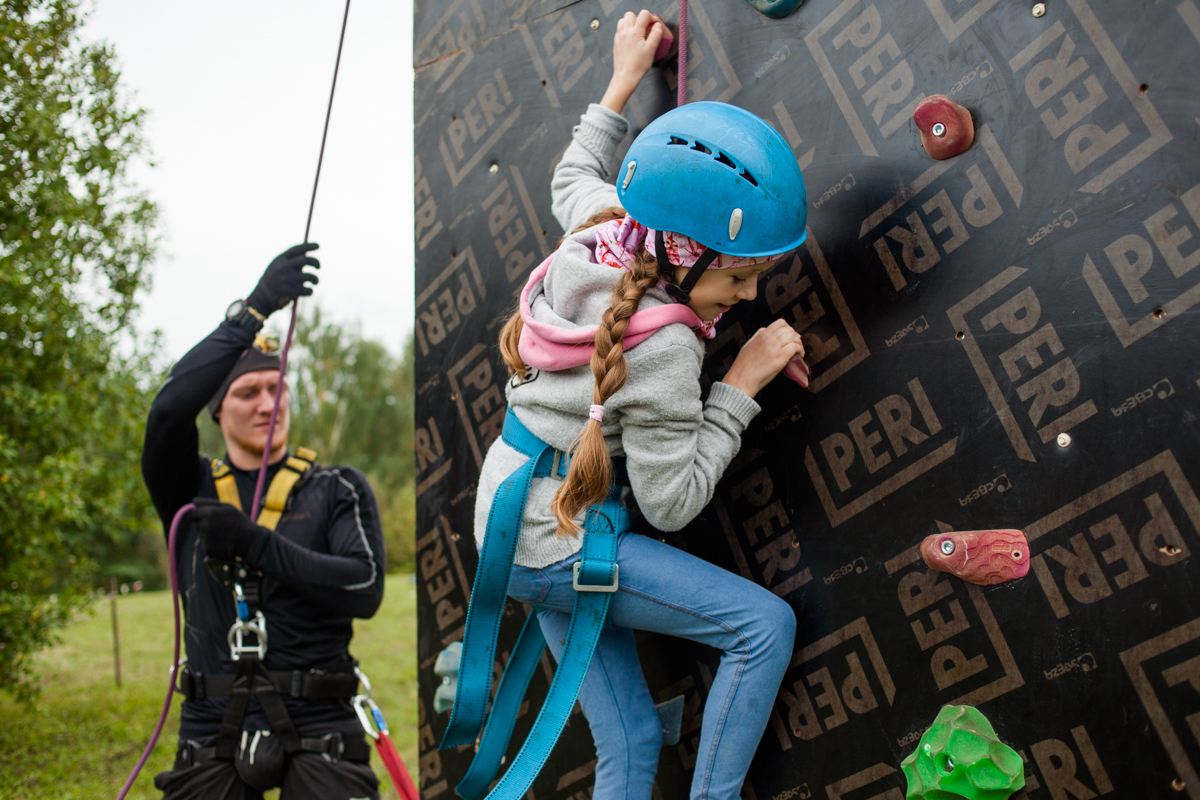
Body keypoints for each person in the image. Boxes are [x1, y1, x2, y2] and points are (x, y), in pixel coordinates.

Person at [461, 10, 808, 800]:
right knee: (762, 629)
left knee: (631, 736)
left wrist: (622, 77)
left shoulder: (604, 228)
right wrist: (740, 383)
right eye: (737, 279)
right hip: (555, 542)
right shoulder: (669, 347)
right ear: (683, 259)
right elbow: (671, 501)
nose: (749, 296)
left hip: (506, 524)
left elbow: (572, 171)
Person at [141, 243, 386, 800]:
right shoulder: (187, 488)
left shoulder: (335, 488)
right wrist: (252, 310)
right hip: (211, 723)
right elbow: (167, 411)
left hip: (320, 721)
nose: (266, 403)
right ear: (218, 410)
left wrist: (257, 545)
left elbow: (364, 589)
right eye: (248, 392)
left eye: (276, 388)